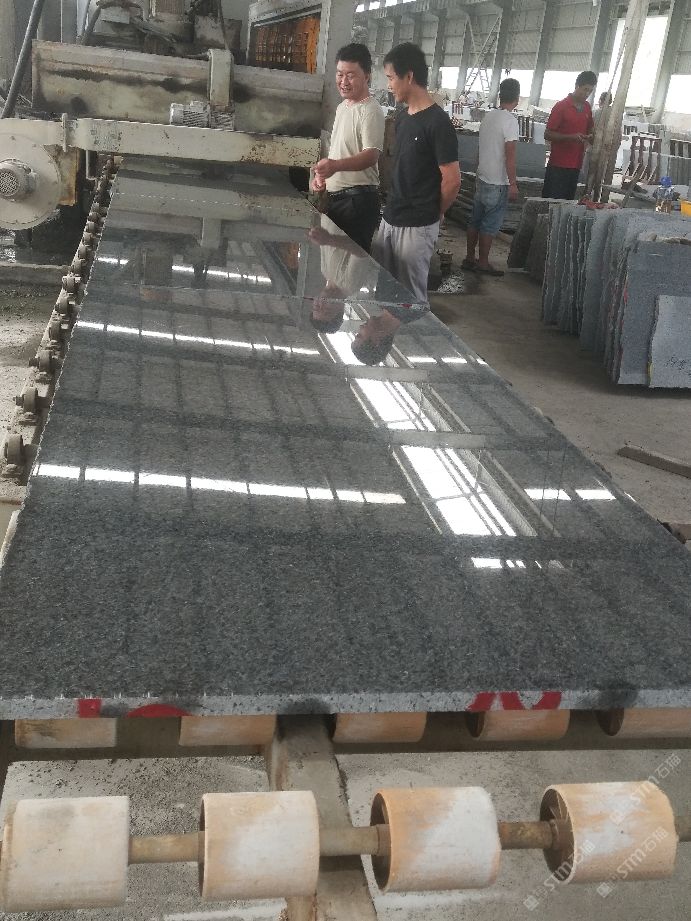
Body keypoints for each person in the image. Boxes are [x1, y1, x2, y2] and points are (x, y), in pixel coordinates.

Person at [371, 42, 461, 303]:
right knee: (384, 292)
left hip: (417, 225)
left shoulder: (438, 123)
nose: (388, 85)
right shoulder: (402, 118)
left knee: (409, 299)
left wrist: (435, 211)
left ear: (409, 76)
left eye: (391, 77)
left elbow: (452, 181)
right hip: (391, 217)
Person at [311, 43, 385, 253]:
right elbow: (340, 151)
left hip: (357, 202)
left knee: (353, 258)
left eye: (350, 75)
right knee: (334, 261)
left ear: (367, 76)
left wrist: (334, 166)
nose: (343, 81)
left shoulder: (370, 110)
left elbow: (371, 155)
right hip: (338, 200)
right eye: (340, 74)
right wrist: (323, 178)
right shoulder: (342, 108)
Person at [463, 77, 520, 277]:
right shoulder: (510, 121)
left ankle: (470, 258)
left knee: (475, 220)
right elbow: (510, 155)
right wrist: (513, 183)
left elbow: (480, 149)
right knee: (489, 224)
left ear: (500, 95)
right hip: (497, 182)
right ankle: (483, 262)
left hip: (482, 176)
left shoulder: (489, 117)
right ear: (517, 98)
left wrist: (478, 170)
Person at [542, 70, 597, 200]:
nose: (587, 94)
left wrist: (591, 136)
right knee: (552, 202)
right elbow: (547, 134)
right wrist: (570, 137)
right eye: (585, 89)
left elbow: (590, 130)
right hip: (558, 165)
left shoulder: (587, 108)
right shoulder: (561, 106)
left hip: (576, 165)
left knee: (568, 202)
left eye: (590, 91)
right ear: (577, 86)